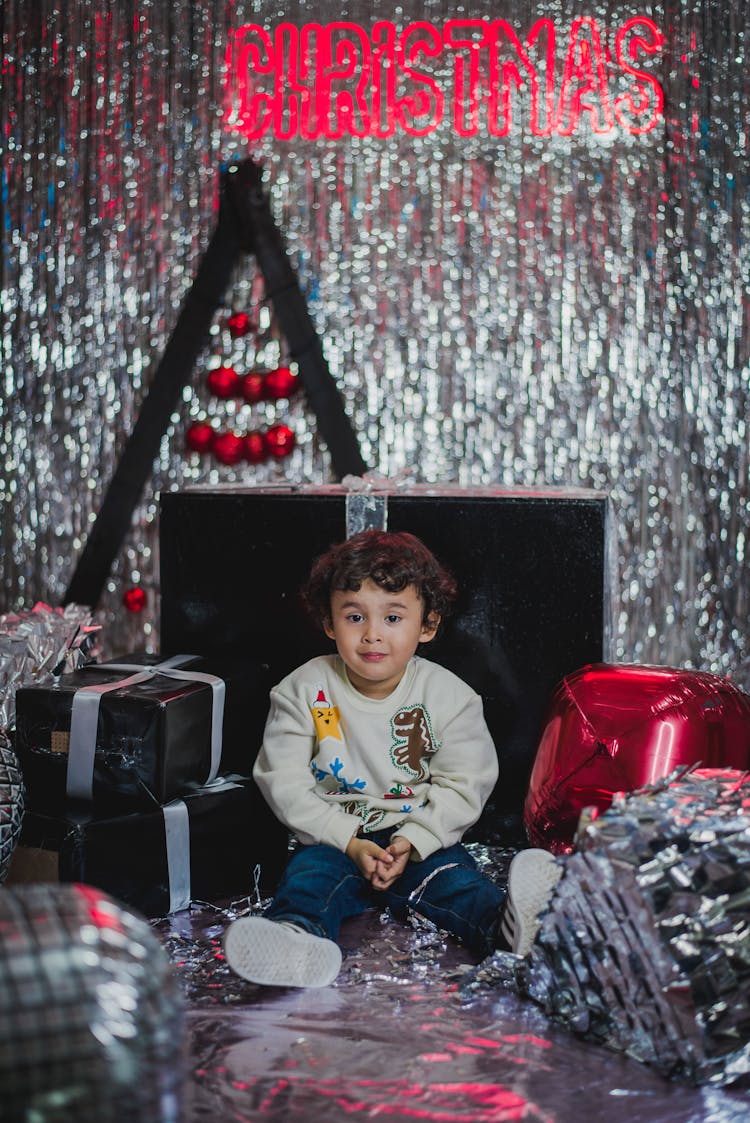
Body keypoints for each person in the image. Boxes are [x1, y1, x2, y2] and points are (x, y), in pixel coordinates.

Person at [224, 529, 561, 988]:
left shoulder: (449, 697)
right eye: (355, 616)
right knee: (308, 882)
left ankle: (511, 928)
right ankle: (295, 941)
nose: (372, 634)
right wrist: (347, 840)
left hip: (415, 837)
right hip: (333, 836)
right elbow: (280, 777)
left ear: (427, 626)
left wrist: (416, 839)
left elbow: (465, 782)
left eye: (393, 617)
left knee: (455, 883)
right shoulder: (303, 689)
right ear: (329, 623)